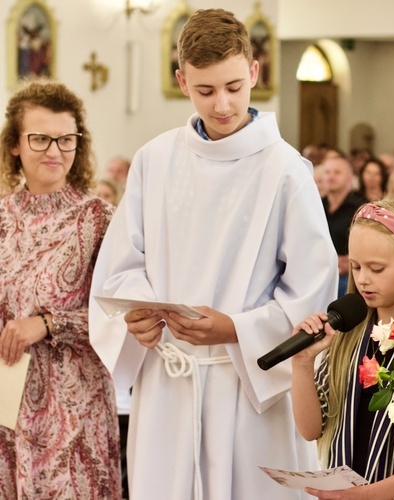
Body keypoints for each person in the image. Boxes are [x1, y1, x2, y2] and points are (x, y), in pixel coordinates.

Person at [89, 9, 336, 499]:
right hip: (170, 380)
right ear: (182, 81)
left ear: (254, 73)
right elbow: (118, 270)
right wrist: (136, 316)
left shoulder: (286, 170)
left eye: (233, 86)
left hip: (249, 385)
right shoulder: (154, 160)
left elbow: (313, 291)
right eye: (205, 90)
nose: (222, 104)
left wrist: (235, 329)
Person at [0, 80, 120, 498]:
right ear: (15, 144)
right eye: (40, 138)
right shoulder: (0, 216)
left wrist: (50, 323)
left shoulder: (100, 219)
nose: (54, 150)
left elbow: (125, 314)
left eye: (66, 139)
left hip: (75, 407)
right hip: (6, 400)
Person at [291, 200, 394, 499]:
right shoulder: (347, 334)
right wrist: (301, 364)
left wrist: (369, 495)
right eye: (355, 266)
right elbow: (311, 429)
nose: (363, 278)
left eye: (376, 268)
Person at [324, 155, 367, 297]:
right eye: (327, 172)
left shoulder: (361, 206)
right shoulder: (316, 204)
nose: (330, 177)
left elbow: (368, 243)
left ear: (350, 177)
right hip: (320, 267)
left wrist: (350, 261)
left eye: (337, 172)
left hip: (349, 270)